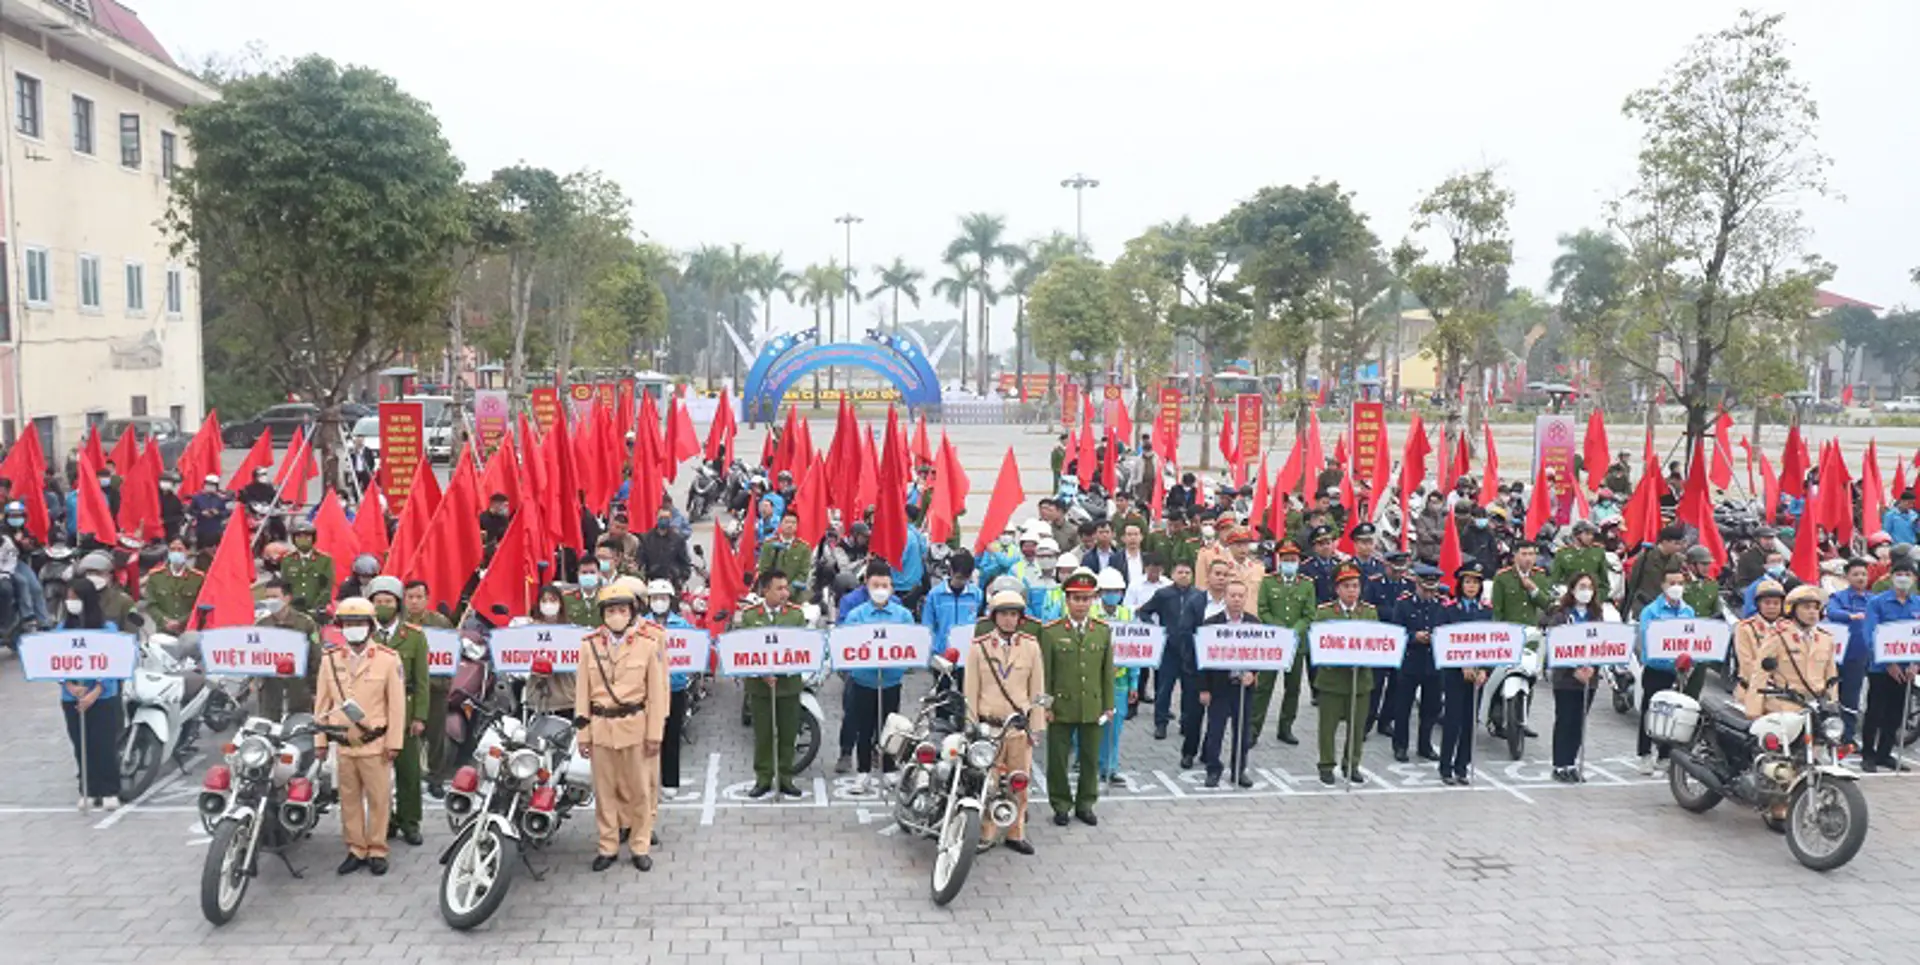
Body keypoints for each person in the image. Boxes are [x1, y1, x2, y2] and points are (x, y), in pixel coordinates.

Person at [575, 582, 670, 871]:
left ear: (632, 613)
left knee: (640, 790)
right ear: (603, 614)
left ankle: (639, 845)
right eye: (611, 610)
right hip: (602, 727)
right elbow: (582, 693)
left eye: (622, 610)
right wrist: (583, 733)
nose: (616, 615)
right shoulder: (588, 646)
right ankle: (608, 845)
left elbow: (656, 694)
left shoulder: (648, 644)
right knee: (605, 793)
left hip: (635, 727)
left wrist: (655, 735)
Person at [314, 597, 406, 875]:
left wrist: (394, 743)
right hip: (343, 745)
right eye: (349, 623)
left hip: (375, 743)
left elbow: (397, 705)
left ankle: (377, 849)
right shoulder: (330, 660)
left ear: (370, 626)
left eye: (359, 623)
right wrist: (320, 741)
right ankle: (356, 848)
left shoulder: (388, 660)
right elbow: (322, 704)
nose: (354, 628)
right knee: (349, 801)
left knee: (379, 800)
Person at [965, 589, 1045, 855]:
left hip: (1018, 729)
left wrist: (1037, 727)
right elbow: (970, 691)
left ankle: (1015, 831)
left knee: (1019, 782)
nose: (1009, 620)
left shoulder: (1032, 647)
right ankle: (986, 832)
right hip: (988, 727)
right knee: (987, 783)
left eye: (1014, 614)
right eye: (1004, 614)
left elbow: (1038, 691)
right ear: (994, 616)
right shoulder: (979, 647)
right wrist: (971, 726)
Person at [1041, 569, 1114, 825]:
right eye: (1076, 599)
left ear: (1093, 600)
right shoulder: (1051, 632)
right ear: (1067, 600)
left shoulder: (1102, 631)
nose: (1081, 604)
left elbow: (1107, 672)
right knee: (1058, 760)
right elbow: (1045, 675)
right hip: (1061, 706)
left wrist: (1108, 705)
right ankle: (1061, 804)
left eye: (1086, 599)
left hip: (1091, 705)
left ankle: (1086, 803)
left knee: (1090, 758)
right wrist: (1045, 707)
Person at [362, 575, 429, 846]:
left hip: (406, 712)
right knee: (377, 774)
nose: (383, 606)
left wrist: (420, 716)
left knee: (409, 773)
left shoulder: (413, 637)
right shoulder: (364, 636)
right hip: (373, 714)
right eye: (378, 602)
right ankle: (384, 821)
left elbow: (422, 680)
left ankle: (409, 822)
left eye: (388, 601)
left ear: (398, 604)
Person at [839, 562, 913, 791]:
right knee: (864, 728)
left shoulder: (902, 615)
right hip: (863, 681)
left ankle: (889, 769)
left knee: (890, 728)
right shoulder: (856, 615)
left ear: (891, 587)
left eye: (885, 585)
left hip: (891, 681)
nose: (881, 589)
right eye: (876, 584)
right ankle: (863, 772)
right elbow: (846, 643)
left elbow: (911, 642)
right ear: (867, 585)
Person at [734, 570, 806, 799]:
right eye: (780, 588)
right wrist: (761, 672)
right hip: (760, 688)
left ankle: (785, 777)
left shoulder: (795, 616)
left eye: (786, 588)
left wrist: (783, 669)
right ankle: (763, 778)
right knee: (763, 735)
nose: (785, 592)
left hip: (788, 686)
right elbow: (743, 649)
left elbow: (801, 648)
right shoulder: (750, 616)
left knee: (788, 734)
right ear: (766, 590)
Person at [1311, 564, 1378, 786]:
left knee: (1357, 727)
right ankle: (1326, 764)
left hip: (1360, 681)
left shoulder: (1368, 612)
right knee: (1328, 727)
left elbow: (1375, 642)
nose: (1352, 591)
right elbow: (1319, 644)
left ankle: (1352, 764)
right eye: (1347, 586)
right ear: (1337, 589)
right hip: (1332, 680)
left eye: (1356, 586)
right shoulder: (1325, 612)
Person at [59, 580, 122, 811]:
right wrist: (69, 685)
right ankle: (88, 788)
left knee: (103, 743)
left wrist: (96, 690)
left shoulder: (107, 629)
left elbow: (114, 662)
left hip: (102, 697)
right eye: (69, 597)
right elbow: (54, 661)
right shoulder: (63, 629)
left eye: (75, 597)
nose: (71, 602)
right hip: (72, 698)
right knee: (80, 744)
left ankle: (109, 789)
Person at [1197, 579, 1260, 788]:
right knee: (1215, 731)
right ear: (1224, 597)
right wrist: (1204, 688)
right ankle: (1213, 769)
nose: (1236, 599)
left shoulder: (1254, 623)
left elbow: (1261, 653)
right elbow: (1202, 658)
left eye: (1240, 596)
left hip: (1243, 687)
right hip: (1219, 687)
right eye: (1232, 595)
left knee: (1241, 732)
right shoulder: (1211, 624)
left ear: (1246, 598)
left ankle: (1239, 770)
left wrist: (1253, 672)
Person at [1252, 541, 1315, 746]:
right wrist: (1279, 628)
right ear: (1279, 561)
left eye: (1293, 560)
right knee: (1264, 687)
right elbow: (1263, 609)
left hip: (1296, 645)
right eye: (1286, 559)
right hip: (1273, 643)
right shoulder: (1269, 582)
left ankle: (1286, 727)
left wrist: (1294, 630)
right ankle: (1253, 728)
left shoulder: (1307, 584)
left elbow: (1309, 614)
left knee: (1293, 688)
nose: (1289, 563)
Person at [640, 579, 696, 804]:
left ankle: (670, 782)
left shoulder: (682, 625)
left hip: (675, 687)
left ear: (670, 600)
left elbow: (694, 648)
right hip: (646, 691)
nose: (659, 602)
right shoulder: (640, 626)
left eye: (663, 598)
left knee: (672, 735)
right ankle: (648, 780)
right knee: (649, 736)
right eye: (655, 598)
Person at [1860, 559, 1920, 772]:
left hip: (1907, 669)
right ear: (1892, 577)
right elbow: (1870, 635)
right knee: (1875, 711)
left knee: (1896, 713)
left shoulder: (1918, 604)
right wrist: (1887, 662)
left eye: (1908, 574)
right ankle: (1867, 753)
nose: (1904, 577)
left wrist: (1916, 664)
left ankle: (1884, 754)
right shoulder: (1877, 603)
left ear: (1914, 578)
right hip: (1880, 668)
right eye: (1899, 573)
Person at [1635, 565, 1695, 775]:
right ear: (1663, 585)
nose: (1676, 587)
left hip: (1679, 672)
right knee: (1650, 712)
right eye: (1672, 583)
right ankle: (1644, 754)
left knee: (1675, 713)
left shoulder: (1688, 611)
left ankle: (1665, 755)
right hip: (1656, 669)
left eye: (1680, 583)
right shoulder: (1651, 611)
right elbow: (1647, 641)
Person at [1136, 560, 1202, 751]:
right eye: (1180, 572)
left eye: (1187, 572)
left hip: (1190, 649)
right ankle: (1161, 723)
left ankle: (1186, 722)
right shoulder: (1164, 594)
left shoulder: (1198, 596)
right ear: (1172, 575)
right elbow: (1144, 611)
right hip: (1169, 648)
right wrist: (1156, 630)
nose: (1183, 575)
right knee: (1164, 688)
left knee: (1189, 690)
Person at [1747, 586, 1839, 720]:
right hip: (1785, 707)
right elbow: (1760, 675)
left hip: (1817, 707)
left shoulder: (1826, 639)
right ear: (1792, 610)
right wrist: (1753, 711)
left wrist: (1832, 704)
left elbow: (1831, 676)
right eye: (1806, 607)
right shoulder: (1778, 637)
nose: (1813, 612)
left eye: (1816, 608)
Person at [1546, 573, 1605, 783]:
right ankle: (1559, 764)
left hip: (1589, 679)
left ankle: (1571, 763)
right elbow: (1556, 645)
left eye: (1590, 587)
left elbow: (1604, 645)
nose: (1586, 591)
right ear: (1572, 590)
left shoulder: (1596, 615)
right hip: (1566, 678)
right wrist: (1574, 669)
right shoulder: (1561, 615)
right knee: (1565, 720)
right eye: (1582, 586)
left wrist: (1593, 669)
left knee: (1579, 722)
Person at [1437, 563, 1489, 786]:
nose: (1471, 587)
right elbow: (1443, 641)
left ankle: (1462, 766)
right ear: (1460, 584)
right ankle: (1446, 766)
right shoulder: (1449, 609)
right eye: (1468, 582)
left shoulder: (1486, 611)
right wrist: (1461, 665)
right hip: (1454, 673)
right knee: (1453, 720)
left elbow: (1493, 643)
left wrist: (1484, 670)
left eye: (1476, 583)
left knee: (1470, 721)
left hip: (1478, 674)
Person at [1389, 564, 1445, 764]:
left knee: (1430, 709)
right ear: (1417, 585)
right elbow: (1396, 632)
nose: (1428, 593)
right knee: (1402, 708)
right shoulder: (1403, 605)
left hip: (1433, 664)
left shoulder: (1441, 605)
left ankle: (1425, 745)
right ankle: (1400, 745)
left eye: (1432, 589)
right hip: (1410, 662)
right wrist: (1414, 636)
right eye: (1425, 589)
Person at [255, 578, 322, 720]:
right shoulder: (261, 625)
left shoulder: (305, 624)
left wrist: (316, 689)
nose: (270, 601)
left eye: (274, 597)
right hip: (271, 691)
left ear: (287, 598)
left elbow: (315, 658)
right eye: (267, 597)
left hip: (299, 689)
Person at [1826, 560, 1874, 749]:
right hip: (1836, 655)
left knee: (1852, 697)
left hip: (1860, 654)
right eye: (1855, 574)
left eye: (1863, 574)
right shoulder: (1838, 597)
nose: (1860, 578)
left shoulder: (1873, 600)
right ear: (1847, 577)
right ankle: (1828, 733)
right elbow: (1831, 612)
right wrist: (1850, 616)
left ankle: (1848, 736)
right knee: (1830, 695)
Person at [1093, 568, 1137, 775]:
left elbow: (1137, 650)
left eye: (1117, 591)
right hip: (1095, 679)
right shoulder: (1092, 613)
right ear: (1100, 592)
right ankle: (1098, 763)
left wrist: (1134, 683)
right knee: (1097, 726)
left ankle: (1111, 767)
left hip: (1120, 681)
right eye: (1108, 590)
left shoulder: (1128, 614)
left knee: (1115, 727)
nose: (1113, 595)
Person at [1734, 580, 1787, 708]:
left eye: (1776, 603)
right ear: (1758, 604)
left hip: (1782, 693)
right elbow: (1746, 662)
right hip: (1751, 690)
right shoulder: (1745, 628)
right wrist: (1767, 681)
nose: (1772, 607)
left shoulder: (1788, 628)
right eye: (1767, 603)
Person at [920, 552, 982, 661]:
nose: (962, 582)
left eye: (966, 578)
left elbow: (980, 622)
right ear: (951, 571)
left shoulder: (977, 594)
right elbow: (928, 625)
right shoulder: (935, 595)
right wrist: (933, 650)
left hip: (968, 653)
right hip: (942, 653)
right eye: (959, 577)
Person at [141, 536, 204, 634]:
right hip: (163, 631)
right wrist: (163, 621)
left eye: (180, 549)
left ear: (187, 552)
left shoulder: (197, 578)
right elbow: (150, 604)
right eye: (172, 549)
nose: (176, 553)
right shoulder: (156, 576)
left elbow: (199, 605)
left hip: (187, 631)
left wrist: (181, 622)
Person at [1625, 525, 1687, 617]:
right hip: (1644, 603)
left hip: (1667, 606)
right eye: (1676, 543)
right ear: (1665, 542)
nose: (1679, 547)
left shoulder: (1678, 560)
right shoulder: (1646, 557)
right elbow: (1633, 581)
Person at [757, 509, 814, 603]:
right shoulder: (769, 544)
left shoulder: (803, 548)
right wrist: (775, 590)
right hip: (770, 595)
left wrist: (787, 591)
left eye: (793, 523)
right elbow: (763, 570)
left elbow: (803, 573)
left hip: (793, 596)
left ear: (797, 526)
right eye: (787, 522)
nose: (790, 525)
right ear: (781, 524)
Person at [281, 519, 335, 616]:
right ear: (294, 539)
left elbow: (327, 587)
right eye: (299, 536)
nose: (303, 539)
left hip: (316, 611)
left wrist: (318, 606)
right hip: (294, 611)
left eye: (307, 536)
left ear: (313, 538)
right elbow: (285, 587)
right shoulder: (287, 560)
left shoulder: (324, 560)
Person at [637, 508, 692, 586]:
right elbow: (640, 559)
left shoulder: (678, 539)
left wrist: (681, 578)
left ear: (670, 519)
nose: (663, 520)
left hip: (672, 581)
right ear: (656, 518)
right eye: (661, 518)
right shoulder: (646, 538)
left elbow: (685, 562)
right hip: (651, 581)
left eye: (666, 518)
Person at [190, 475, 230, 549]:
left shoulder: (220, 499)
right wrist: (201, 513)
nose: (210, 487)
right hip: (201, 529)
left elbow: (226, 512)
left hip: (215, 530)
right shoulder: (197, 498)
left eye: (212, 485)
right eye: (208, 484)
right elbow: (191, 511)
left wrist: (218, 513)